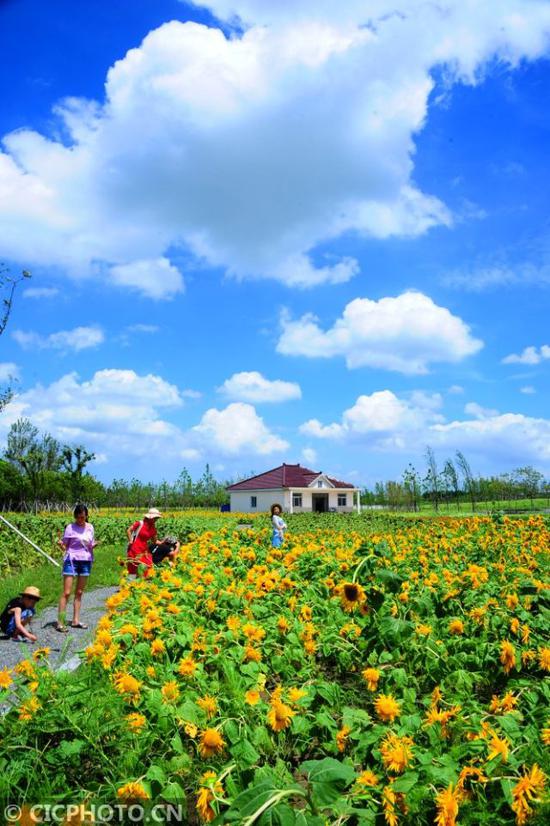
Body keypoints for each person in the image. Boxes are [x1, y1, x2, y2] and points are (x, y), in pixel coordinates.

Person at [56, 504, 98, 632]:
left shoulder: (90, 527)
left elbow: (90, 544)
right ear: (75, 516)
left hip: (85, 561)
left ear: (86, 516)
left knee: (79, 592)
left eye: (83, 517)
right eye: (78, 517)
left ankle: (75, 620)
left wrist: (93, 545)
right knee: (67, 592)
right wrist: (60, 545)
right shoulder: (70, 528)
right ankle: (60, 622)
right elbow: (65, 546)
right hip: (71, 560)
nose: (80, 520)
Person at [126, 508, 162, 577]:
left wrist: (164, 543)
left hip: (144, 550)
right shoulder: (140, 523)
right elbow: (129, 530)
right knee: (133, 569)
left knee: (148, 568)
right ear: (150, 517)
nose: (156, 520)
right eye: (155, 518)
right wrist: (130, 540)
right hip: (134, 548)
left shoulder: (153, 528)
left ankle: (143, 582)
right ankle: (131, 582)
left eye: (157, 518)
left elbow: (155, 541)